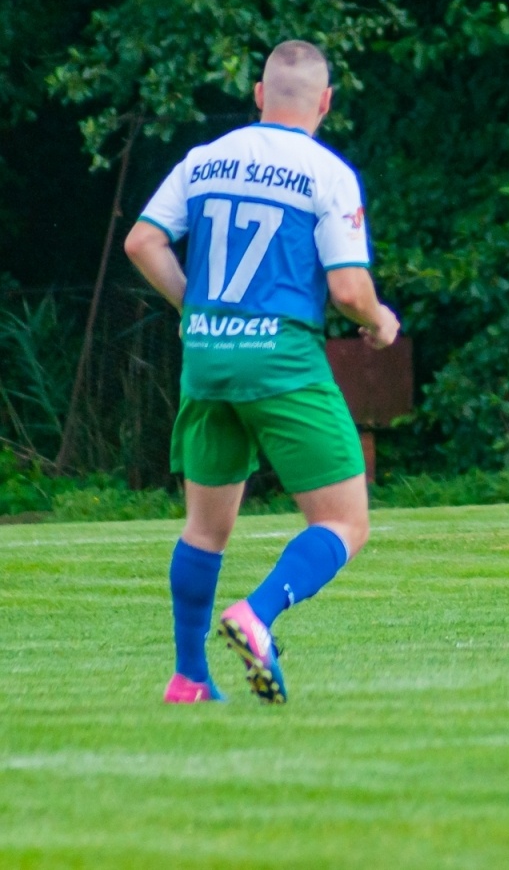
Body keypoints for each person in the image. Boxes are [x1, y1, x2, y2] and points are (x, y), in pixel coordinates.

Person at [125, 40, 400, 703]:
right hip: (282, 358)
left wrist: (197, 307)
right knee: (344, 521)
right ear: (326, 102)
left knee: (205, 528)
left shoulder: (204, 160)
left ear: (258, 94)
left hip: (208, 354)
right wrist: (380, 320)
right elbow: (347, 289)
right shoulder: (325, 172)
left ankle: (189, 675)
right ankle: (258, 612)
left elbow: (142, 241)